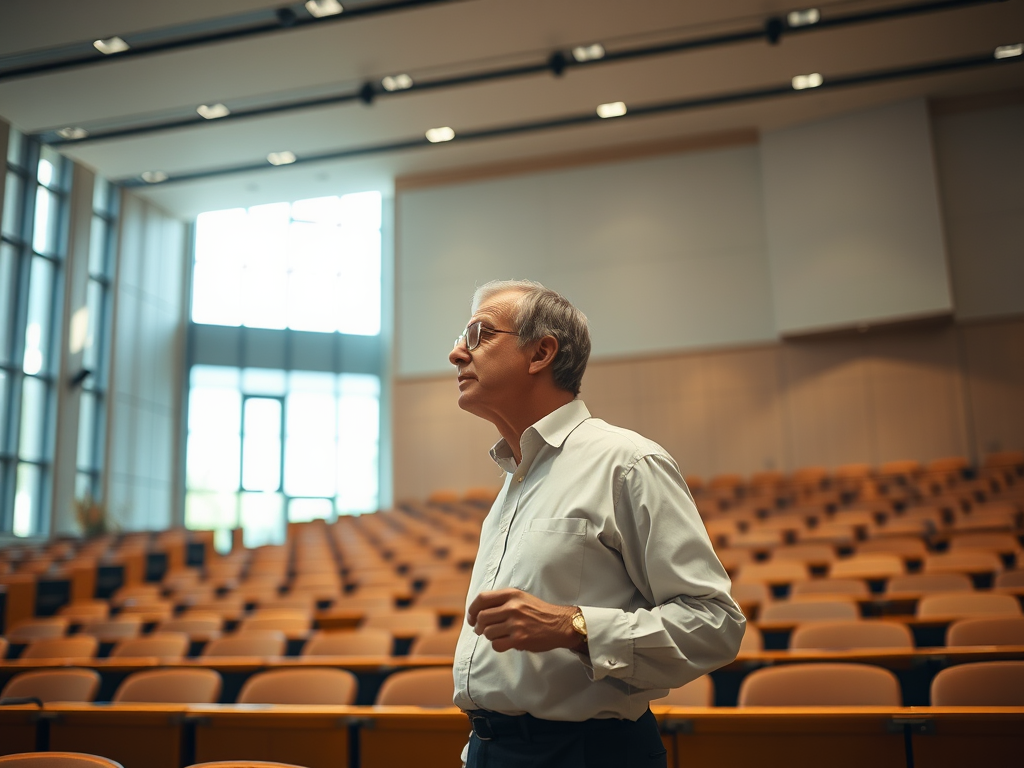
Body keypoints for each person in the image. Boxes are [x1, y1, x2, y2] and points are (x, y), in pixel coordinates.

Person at [447, 279, 745, 768]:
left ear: (541, 352)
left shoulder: (627, 462)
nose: (457, 352)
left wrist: (575, 626)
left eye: (478, 333)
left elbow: (715, 624)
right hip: (490, 752)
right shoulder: (511, 483)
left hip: (588, 754)